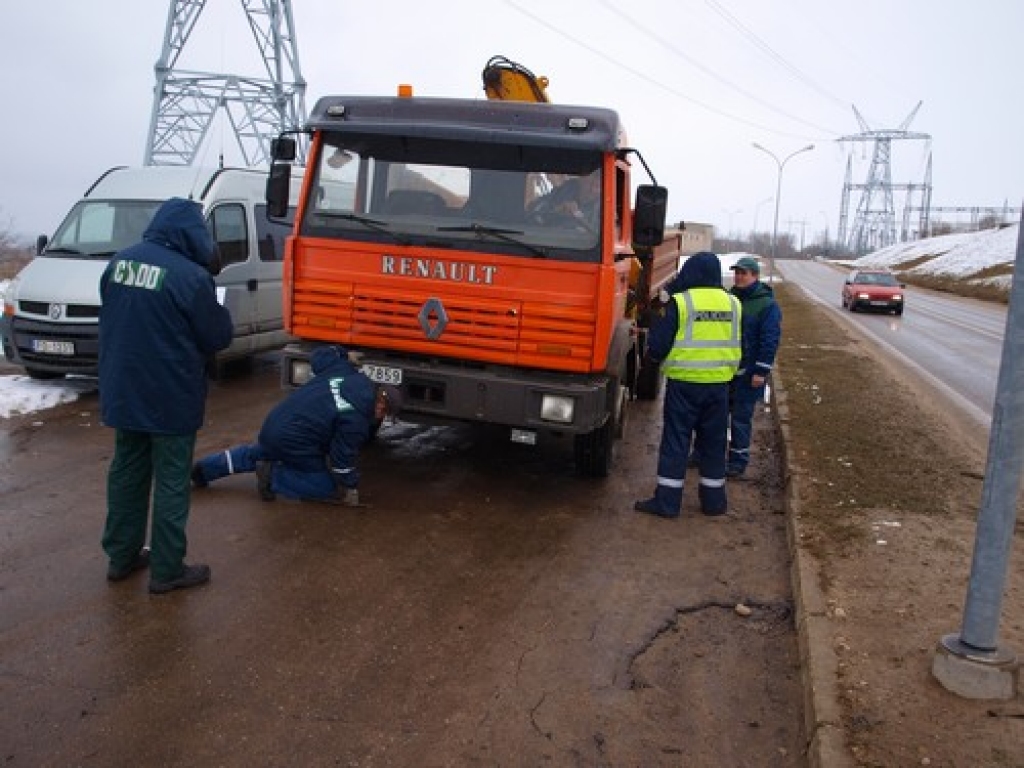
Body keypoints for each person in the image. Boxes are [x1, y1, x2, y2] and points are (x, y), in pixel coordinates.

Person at [99, 197, 234, 594]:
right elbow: (217, 336)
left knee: (127, 474)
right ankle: (167, 568)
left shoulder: (118, 264)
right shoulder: (191, 277)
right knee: (172, 481)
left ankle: (121, 557)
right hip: (171, 396)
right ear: (190, 233)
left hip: (123, 391)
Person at [191, 345, 401, 505]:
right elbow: (341, 458)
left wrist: (342, 353)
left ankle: (203, 470)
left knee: (256, 452)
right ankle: (273, 477)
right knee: (324, 486)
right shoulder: (357, 419)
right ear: (380, 401)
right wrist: (349, 485)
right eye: (383, 411)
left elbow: (319, 358)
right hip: (296, 440)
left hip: (276, 422)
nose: (380, 416)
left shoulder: (346, 372)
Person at [634, 251, 742, 518]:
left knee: (676, 441)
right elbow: (742, 342)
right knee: (714, 444)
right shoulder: (733, 303)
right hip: (719, 386)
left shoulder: (681, 302)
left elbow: (659, 345)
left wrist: (651, 360)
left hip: (684, 386)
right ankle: (714, 503)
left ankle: (668, 503)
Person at [725, 256, 782, 477]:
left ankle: (738, 462)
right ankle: (707, 455)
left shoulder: (766, 304)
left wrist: (760, 371)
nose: (739, 276)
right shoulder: (729, 299)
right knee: (716, 416)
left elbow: (770, 339)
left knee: (740, 418)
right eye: (737, 272)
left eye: (744, 273)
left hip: (748, 374)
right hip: (726, 370)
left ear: (755, 276)